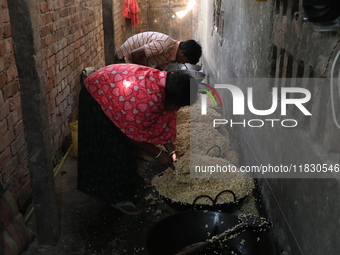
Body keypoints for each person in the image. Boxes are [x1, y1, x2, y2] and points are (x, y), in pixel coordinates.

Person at [77, 63, 198, 215]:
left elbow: (164, 121)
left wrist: (173, 154)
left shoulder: (167, 87)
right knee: (117, 149)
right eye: (178, 105)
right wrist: (159, 154)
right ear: (170, 98)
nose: (177, 110)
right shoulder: (147, 99)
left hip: (116, 93)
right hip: (98, 94)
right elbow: (131, 135)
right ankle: (118, 197)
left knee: (128, 150)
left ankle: (134, 184)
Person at [114, 31, 202, 70]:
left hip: (131, 62)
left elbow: (158, 71)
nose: (182, 63)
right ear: (183, 53)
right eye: (185, 61)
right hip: (123, 59)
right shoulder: (165, 45)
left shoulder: (171, 56)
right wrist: (142, 74)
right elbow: (135, 55)